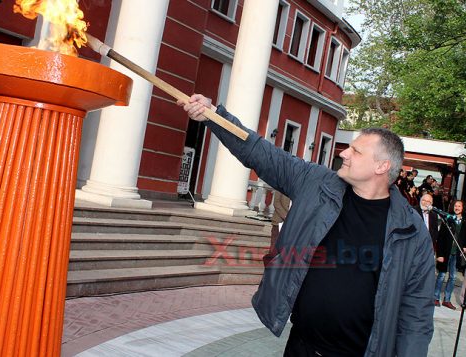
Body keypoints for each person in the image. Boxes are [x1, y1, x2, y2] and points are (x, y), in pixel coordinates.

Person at [179, 94, 434, 356]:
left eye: (356, 151)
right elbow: (262, 154)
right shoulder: (316, 182)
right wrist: (215, 116)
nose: (344, 153)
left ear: (382, 166)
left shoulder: (411, 232)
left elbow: (417, 313)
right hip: (302, 347)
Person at [433, 200, 466, 310]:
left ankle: (447, 300)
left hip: (455, 254)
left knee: (453, 277)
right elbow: (440, 238)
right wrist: (440, 254)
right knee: (442, 275)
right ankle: (435, 297)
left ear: (462, 208)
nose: (457, 208)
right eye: (455, 206)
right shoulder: (447, 219)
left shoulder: (465, 222)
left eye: (459, 206)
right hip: (446, 253)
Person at [265, 190, 291, 266]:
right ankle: (269, 267)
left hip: (291, 223)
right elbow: (276, 203)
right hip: (278, 221)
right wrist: (286, 216)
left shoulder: (297, 188)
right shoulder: (281, 187)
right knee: (274, 247)